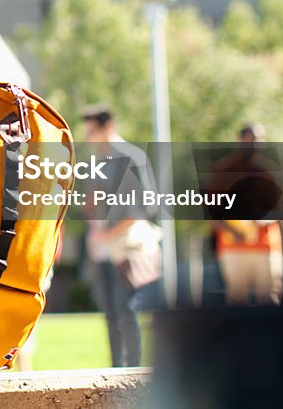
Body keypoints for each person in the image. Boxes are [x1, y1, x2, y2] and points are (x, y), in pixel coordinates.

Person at [80, 104, 158, 368]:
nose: (89, 137)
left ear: (108, 127)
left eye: (93, 131)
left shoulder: (132, 158)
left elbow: (145, 207)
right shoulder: (96, 161)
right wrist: (94, 230)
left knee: (127, 311)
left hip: (126, 246)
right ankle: (115, 371)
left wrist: (107, 233)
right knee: (110, 314)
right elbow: (90, 203)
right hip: (102, 246)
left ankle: (134, 372)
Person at [210, 124, 283, 305]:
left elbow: (282, 210)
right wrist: (232, 230)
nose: (257, 142)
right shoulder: (223, 171)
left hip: (266, 247)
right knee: (237, 301)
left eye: (261, 138)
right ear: (241, 140)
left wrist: (261, 222)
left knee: (270, 299)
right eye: (252, 138)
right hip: (232, 248)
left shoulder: (271, 172)